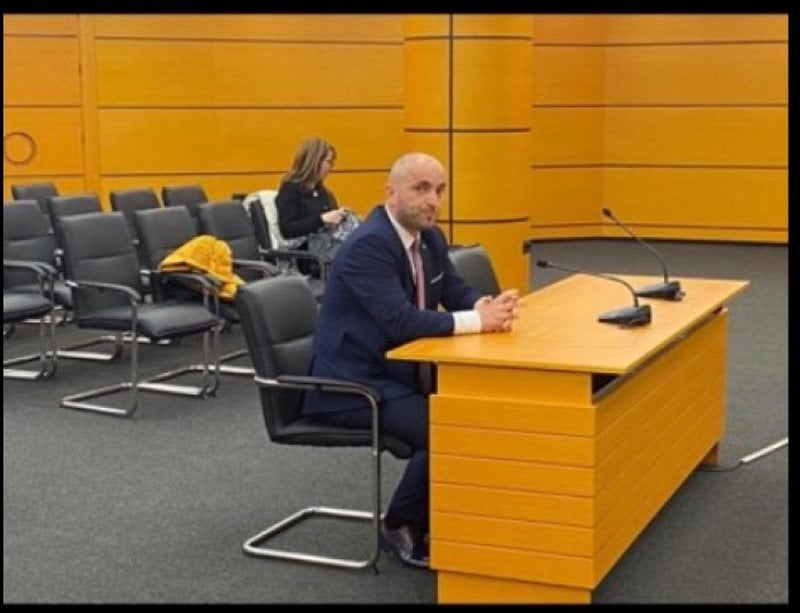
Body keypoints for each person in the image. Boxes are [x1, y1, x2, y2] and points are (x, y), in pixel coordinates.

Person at [302, 152, 519, 569]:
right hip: (352, 383)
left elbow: (453, 290)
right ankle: (400, 524)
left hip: (402, 369)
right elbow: (399, 320)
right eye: (421, 189)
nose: (433, 200)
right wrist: (479, 322)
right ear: (391, 193)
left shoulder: (430, 238)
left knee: (484, 407)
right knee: (447, 428)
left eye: (439, 190)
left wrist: (486, 305)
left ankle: (454, 511)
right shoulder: (369, 245)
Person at [275, 138, 347, 273]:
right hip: (306, 257)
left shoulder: (323, 192)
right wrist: (322, 219)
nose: (331, 167)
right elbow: (287, 229)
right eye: (328, 162)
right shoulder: (290, 189)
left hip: (326, 250)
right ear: (314, 161)